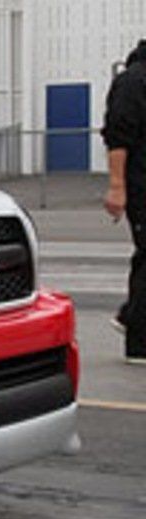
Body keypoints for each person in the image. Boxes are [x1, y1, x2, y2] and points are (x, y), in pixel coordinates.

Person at [102, 40, 146, 364]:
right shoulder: (133, 81)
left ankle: (131, 315)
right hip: (140, 183)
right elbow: (118, 136)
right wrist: (117, 187)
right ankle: (139, 341)